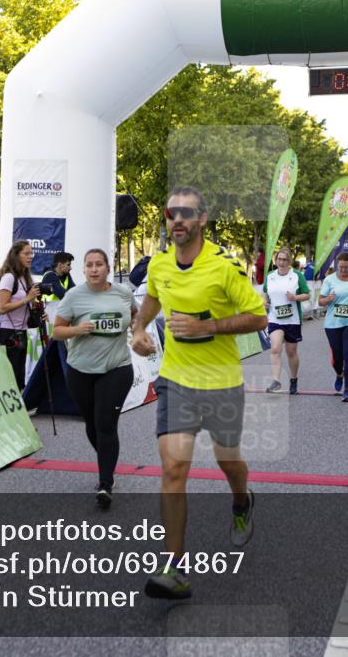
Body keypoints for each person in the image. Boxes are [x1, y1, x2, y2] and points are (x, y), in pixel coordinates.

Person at [130, 186, 267, 600]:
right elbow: (153, 298)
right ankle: (173, 568)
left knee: (229, 461)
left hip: (222, 382)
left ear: (202, 219)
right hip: (176, 381)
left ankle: (242, 501)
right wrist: (137, 329)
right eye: (171, 214)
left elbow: (258, 317)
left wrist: (208, 327)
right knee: (173, 469)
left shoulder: (224, 268)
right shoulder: (159, 264)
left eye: (185, 214)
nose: (177, 221)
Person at [53, 248, 136, 508]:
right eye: (89, 265)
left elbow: (136, 314)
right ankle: (107, 460)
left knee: (105, 423)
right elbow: (57, 331)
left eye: (99, 264)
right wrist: (77, 329)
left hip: (117, 367)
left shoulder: (123, 293)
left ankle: (105, 483)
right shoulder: (74, 296)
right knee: (91, 423)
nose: (94, 269)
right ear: (84, 269)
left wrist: (138, 329)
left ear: (107, 268)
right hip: (80, 370)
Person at [317, 252, 348, 402]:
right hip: (333, 323)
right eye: (340, 267)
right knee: (337, 357)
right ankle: (339, 374)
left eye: (346, 267)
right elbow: (320, 301)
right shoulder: (329, 280)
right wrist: (328, 299)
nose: (343, 270)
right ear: (337, 265)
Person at [0, 241, 45, 390]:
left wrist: (37, 310)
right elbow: (2, 308)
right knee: (9, 375)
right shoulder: (9, 278)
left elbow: (26, 305)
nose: (30, 257)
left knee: (19, 375)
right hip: (7, 332)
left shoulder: (25, 277)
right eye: (26, 253)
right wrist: (27, 299)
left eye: (31, 253)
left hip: (21, 331)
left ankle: (20, 407)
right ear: (16, 256)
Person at [264, 247, 310, 394]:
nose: (281, 262)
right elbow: (265, 292)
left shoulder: (297, 275)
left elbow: (307, 294)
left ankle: (294, 379)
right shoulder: (270, 275)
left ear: (289, 261)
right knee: (275, 348)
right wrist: (264, 302)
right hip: (275, 319)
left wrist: (295, 297)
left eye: (284, 259)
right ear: (275, 260)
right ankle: (276, 381)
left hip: (292, 320)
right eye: (279, 259)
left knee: (291, 352)